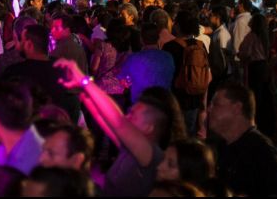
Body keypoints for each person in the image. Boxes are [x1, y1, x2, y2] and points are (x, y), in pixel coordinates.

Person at [55, 59, 184, 196]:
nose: (127, 117)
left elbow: (118, 121)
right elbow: (102, 117)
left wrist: (83, 80)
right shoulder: (129, 150)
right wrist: (85, 94)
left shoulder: (153, 156)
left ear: (149, 127)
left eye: (132, 115)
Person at [208, 81, 277, 196]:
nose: (209, 109)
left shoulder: (262, 153)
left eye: (216, 104)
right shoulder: (222, 147)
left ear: (237, 108)